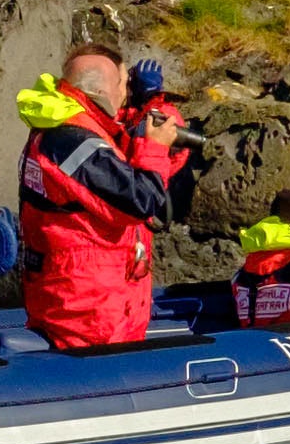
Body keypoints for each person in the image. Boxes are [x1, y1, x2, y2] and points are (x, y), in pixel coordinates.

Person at [12, 45, 184, 351]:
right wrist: (155, 148)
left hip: (84, 296)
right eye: (122, 84)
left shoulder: (65, 127)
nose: (125, 94)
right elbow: (141, 200)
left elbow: (126, 164)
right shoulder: (72, 141)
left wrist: (154, 116)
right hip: (89, 310)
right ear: (102, 89)